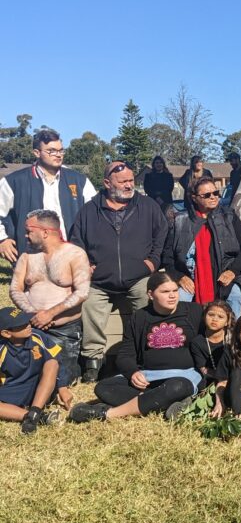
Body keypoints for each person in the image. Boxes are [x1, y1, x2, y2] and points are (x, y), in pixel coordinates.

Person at [70, 161, 168, 382]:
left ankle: (145, 355)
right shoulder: (88, 210)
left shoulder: (147, 205)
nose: (128, 185)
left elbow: (162, 234)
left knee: (148, 301)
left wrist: (152, 262)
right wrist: (84, 264)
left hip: (139, 278)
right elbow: (76, 243)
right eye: (122, 181)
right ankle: (93, 363)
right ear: (107, 183)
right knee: (88, 303)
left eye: (131, 180)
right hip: (99, 281)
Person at [69, 272, 204, 423]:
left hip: (182, 376)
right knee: (102, 387)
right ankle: (165, 402)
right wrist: (133, 372)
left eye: (175, 291)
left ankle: (106, 413)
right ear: (151, 294)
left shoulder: (194, 311)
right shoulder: (139, 317)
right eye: (165, 292)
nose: (172, 296)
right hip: (148, 378)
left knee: (177, 388)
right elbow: (126, 354)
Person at [9, 210, 91, 384]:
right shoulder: (27, 256)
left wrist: (50, 313)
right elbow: (15, 289)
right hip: (32, 326)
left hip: (64, 329)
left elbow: (82, 292)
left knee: (61, 380)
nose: (25, 235)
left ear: (45, 232)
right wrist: (34, 314)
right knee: (29, 378)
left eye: (29, 231)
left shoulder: (75, 254)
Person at [0, 129, 97, 262]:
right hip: (31, 257)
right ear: (37, 153)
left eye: (61, 150)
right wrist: (2, 240)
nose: (58, 155)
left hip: (70, 256)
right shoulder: (14, 181)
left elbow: (96, 215)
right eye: (51, 151)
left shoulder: (80, 181)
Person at [162, 177, 241, 317]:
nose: (213, 197)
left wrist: (233, 271)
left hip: (227, 275)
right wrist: (179, 277)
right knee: (181, 297)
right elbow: (167, 256)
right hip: (190, 278)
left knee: (234, 294)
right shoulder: (180, 221)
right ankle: (188, 336)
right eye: (207, 195)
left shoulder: (228, 216)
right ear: (195, 198)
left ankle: (233, 334)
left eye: (216, 193)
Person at [0, 306, 72, 433]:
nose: (28, 325)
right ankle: (34, 417)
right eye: (21, 325)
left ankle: (35, 410)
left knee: (52, 362)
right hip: (13, 391)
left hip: (41, 389)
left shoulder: (38, 336)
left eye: (27, 321)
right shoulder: (2, 349)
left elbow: (57, 360)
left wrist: (62, 387)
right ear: (6, 333)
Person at [190, 299, 234, 387]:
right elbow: (203, 368)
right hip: (211, 379)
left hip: (234, 378)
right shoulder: (197, 342)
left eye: (220, 317)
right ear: (204, 316)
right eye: (211, 315)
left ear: (227, 322)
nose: (214, 319)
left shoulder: (234, 339)